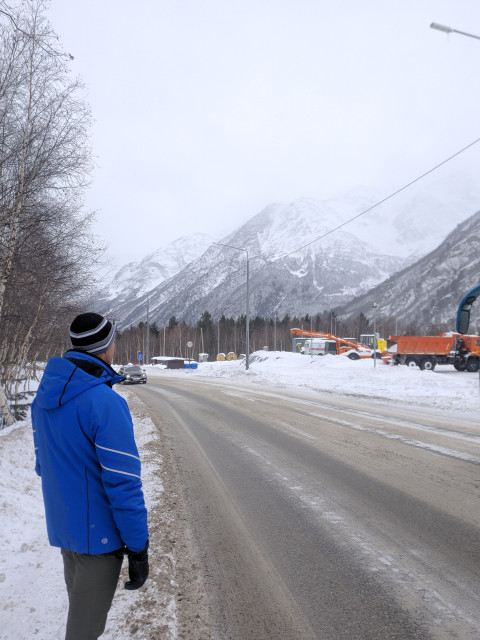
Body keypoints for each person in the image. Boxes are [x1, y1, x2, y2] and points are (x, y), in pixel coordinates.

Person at [31, 312, 149, 640]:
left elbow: (44, 466)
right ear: (106, 347)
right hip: (99, 542)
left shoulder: (43, 399)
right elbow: (123, 485)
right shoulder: (104, 402)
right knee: (83, 632)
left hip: (66, 533)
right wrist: (138, 548)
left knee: (80, 617)